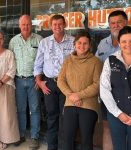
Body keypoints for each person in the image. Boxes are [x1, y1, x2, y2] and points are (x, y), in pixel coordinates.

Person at [95, 10, 131, 150]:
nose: (128, 44)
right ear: (119, 43)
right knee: (117, 144)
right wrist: (118, 113)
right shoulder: (108, 55)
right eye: (124, 42)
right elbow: (104, 87)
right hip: (114, 110)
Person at [34, 14, 74, 150]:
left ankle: (63, 147)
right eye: (55, 24)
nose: (57, 27)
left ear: (65, 25)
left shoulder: (73, 41)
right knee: (52, 117)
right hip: (49, 84)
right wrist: (39, 82)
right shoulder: (44, 42)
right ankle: (52, 147)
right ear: (51, 26)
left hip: (67, 84)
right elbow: (38, 64)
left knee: (65, 118)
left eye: (60, 24)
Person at [57, 30, 102, 150]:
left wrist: (79, 95)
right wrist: (71, 95)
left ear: (90, 45)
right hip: (70, 102)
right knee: (67, 137)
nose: (82, 46)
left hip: (88, 104)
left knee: (86, 139)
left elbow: (97, 84)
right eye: (79, 43)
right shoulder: (68, 60)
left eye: (85, 43)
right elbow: (61, 80)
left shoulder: (96, 62)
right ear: (74, 44)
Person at [9, 15, 42, 150]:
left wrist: (40, 79)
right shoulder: (13, 41)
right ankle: (21, 134)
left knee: (34, 110)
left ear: (31, 25)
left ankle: (34, 137)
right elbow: (9, 62)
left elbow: (44, 61)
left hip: (34, 81)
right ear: (19, 26)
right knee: (21, 109)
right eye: (23, 24)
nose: (26, 27)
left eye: (28, 24)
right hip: (18, 80)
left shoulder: (39, 40)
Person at [0, 29, 20, 149]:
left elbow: (12, 69)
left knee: (6, 114)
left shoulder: (9, 53)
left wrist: (0, 82)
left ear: (4, 40)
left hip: (6, 85)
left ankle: (5, 139)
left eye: (0, 38)